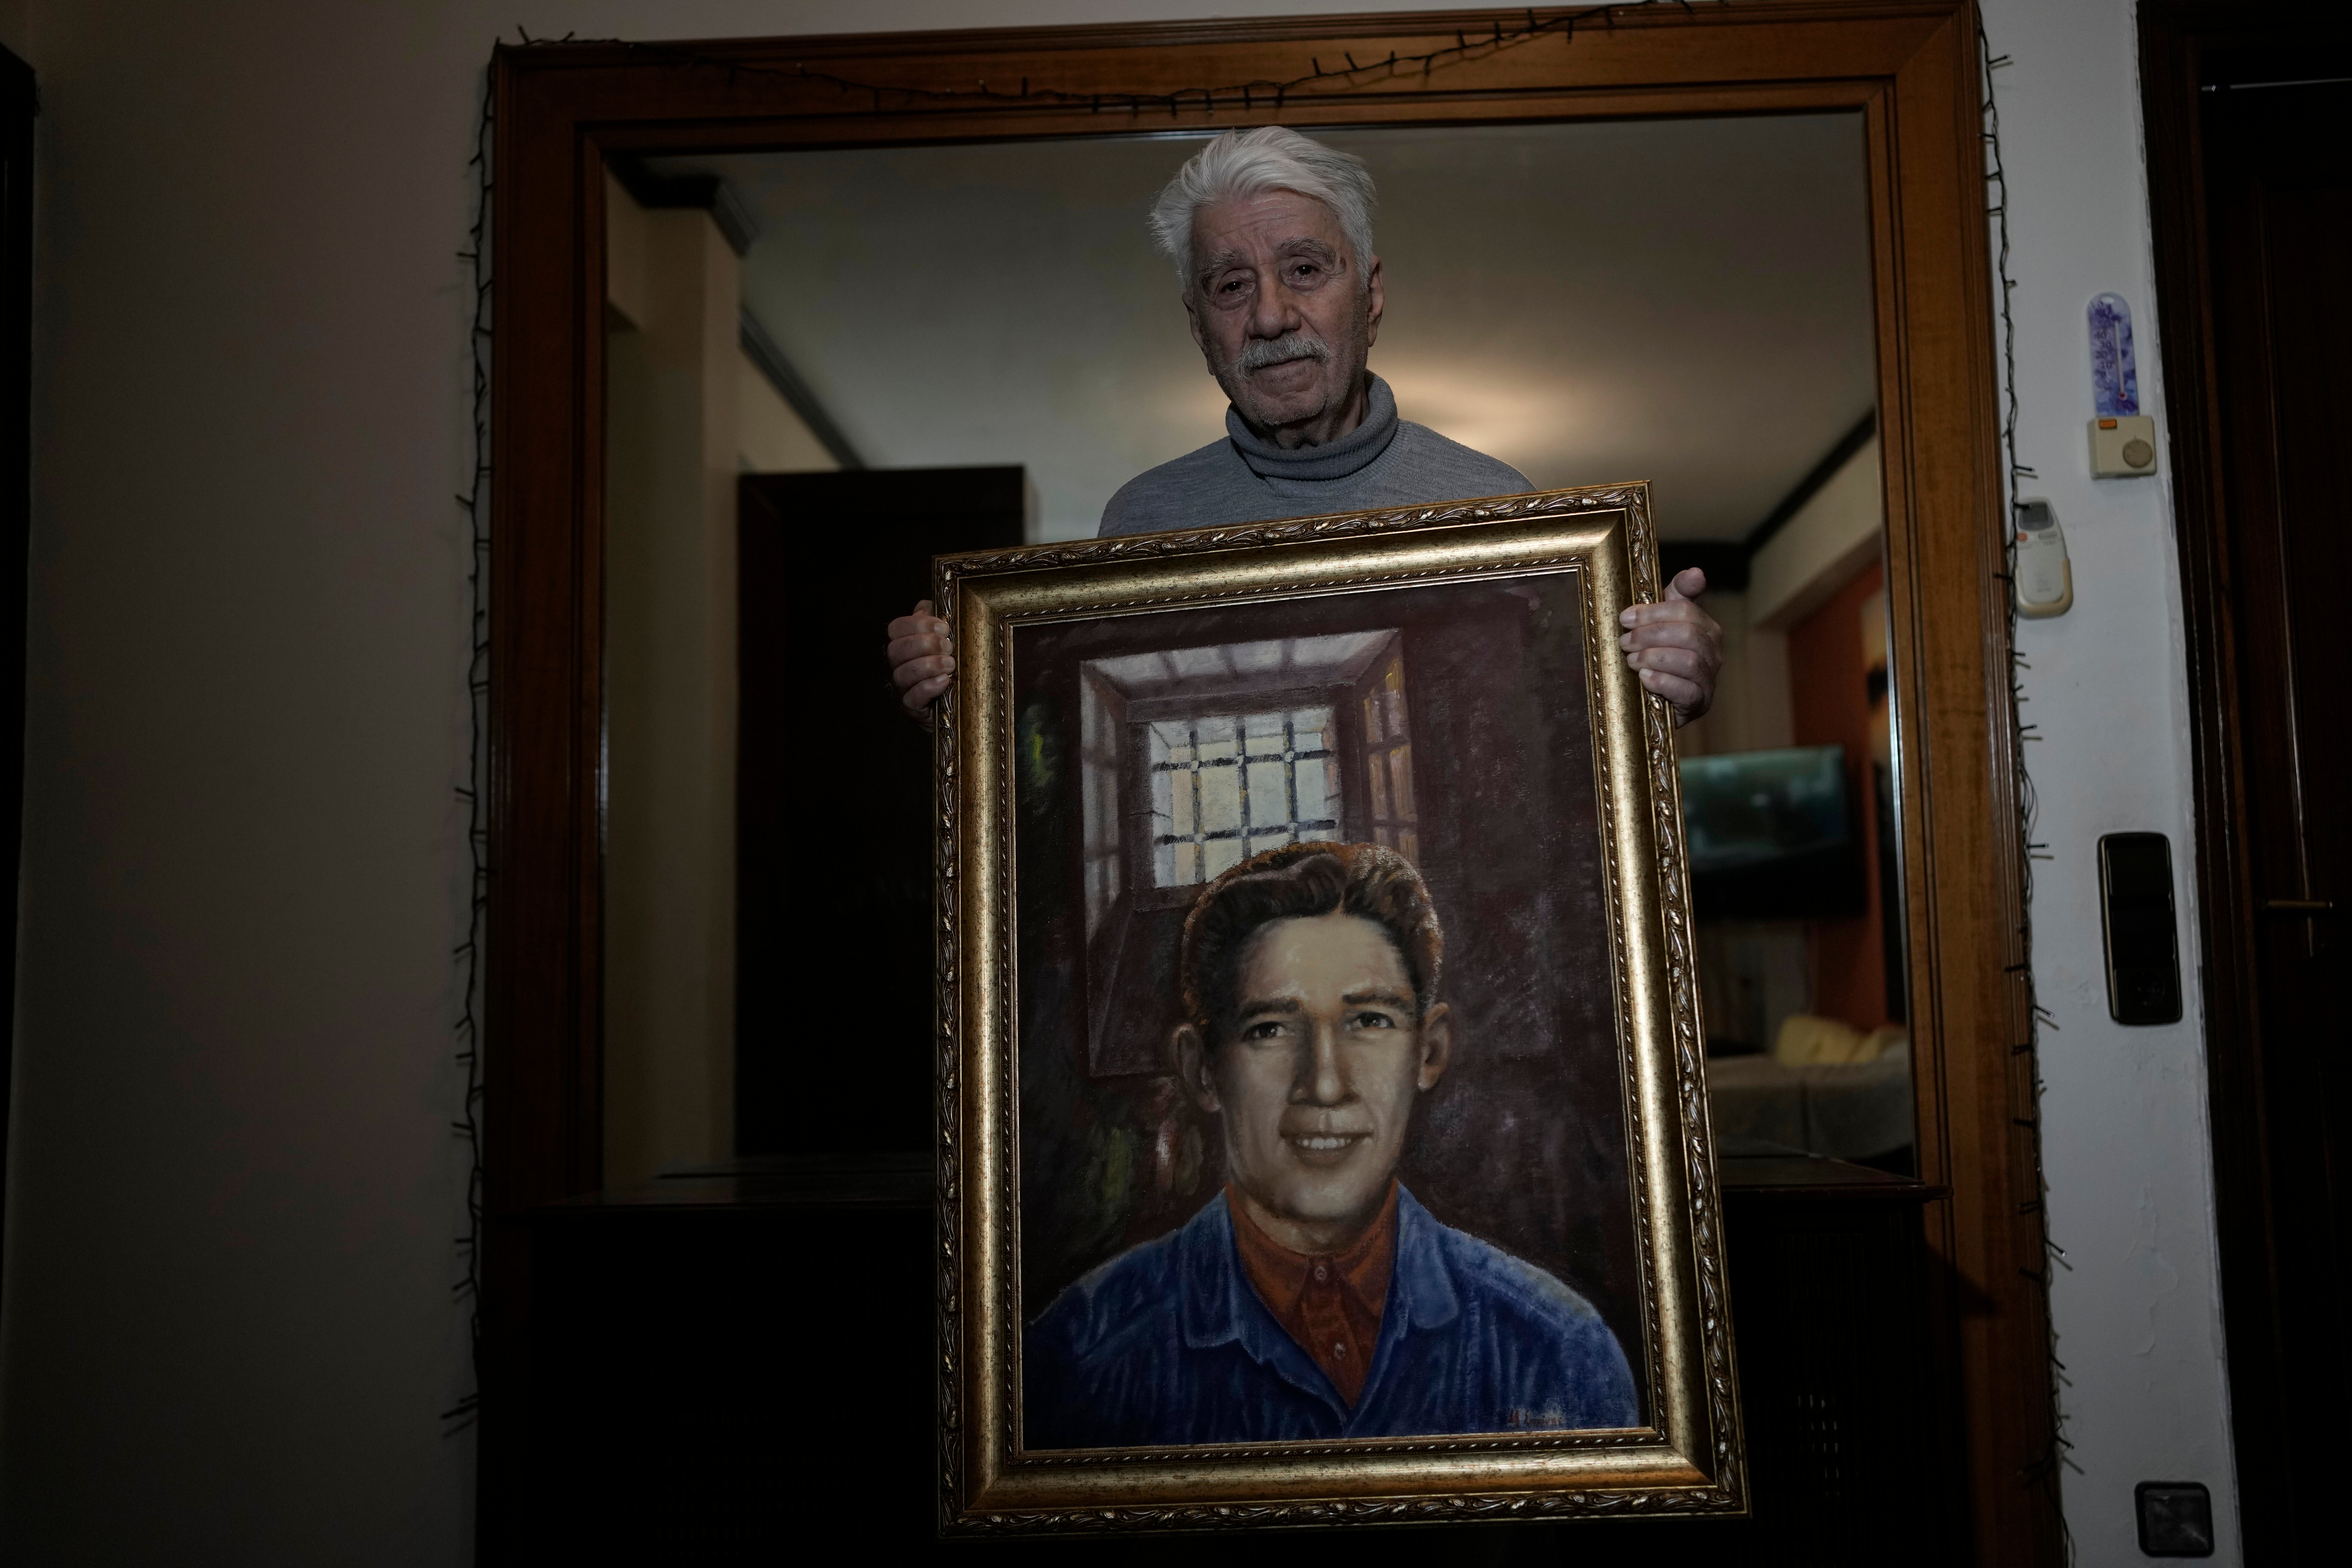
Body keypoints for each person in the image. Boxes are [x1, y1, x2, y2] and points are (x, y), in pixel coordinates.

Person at [885, 125, 1723, 724]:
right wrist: (971, 695)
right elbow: (1089, 749)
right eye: (1231, 286)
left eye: (1306, 270)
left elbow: (1555, 752)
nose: (1273, 316)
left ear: (1372, 294)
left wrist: (1665, 680)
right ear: (1199, 326)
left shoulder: (1497, 508)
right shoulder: (1142, 523)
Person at [1023, 842, 1638, 1448]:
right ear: (1203, 1070)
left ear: (1427, 1052)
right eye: (1270, 1029)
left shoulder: (1560, 1350)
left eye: (1370, 1022)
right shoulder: (1078, 1358)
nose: (1323, 1083)